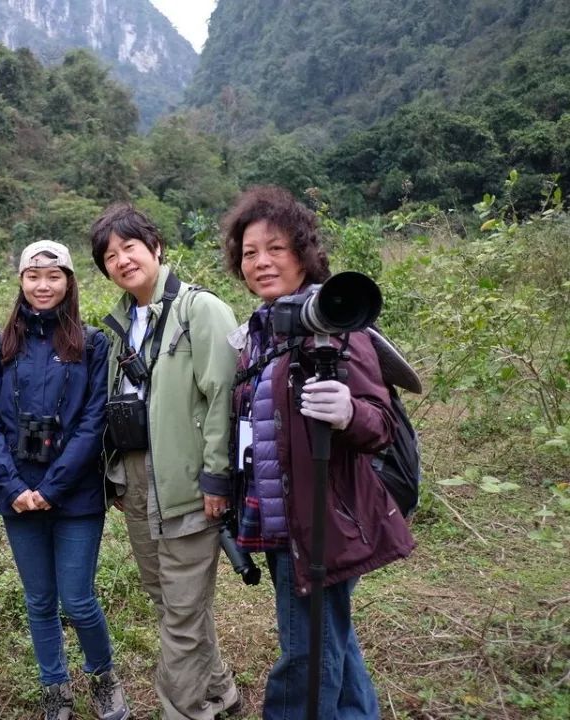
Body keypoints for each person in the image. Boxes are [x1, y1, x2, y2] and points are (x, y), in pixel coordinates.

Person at [220, 185, 415, 719]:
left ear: (303, 252)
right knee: (332, 641)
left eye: (275, 248)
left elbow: (380, 424)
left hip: (319, 520)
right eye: (249, 253)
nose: (261, 262)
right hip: (282, 515)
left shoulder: (332, 321)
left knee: (306, 656)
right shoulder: (262, 328)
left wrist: (350, 411)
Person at [89, 204, 241, 720]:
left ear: (155, 247)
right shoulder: (120, 324)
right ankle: (220, 692)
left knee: (179, 612)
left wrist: (217, 476)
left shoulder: (200, 310)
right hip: (136, 480)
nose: (122, 260)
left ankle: (185, 710)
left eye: (129, 246)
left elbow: (224, 397)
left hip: (188, 481)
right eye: (110, 255)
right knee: (170, 601)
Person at [0, 240, 130, 720]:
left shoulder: (92, 344)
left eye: (54, 275)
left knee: (78, 599)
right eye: (33, 276)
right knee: (39, 600)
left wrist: (53, 487)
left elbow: (93, 421)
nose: (43, 285)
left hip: (76, 495)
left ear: (68, 282)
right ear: (20, 281)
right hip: (17, 495)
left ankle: (103, 677)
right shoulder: (1, 346)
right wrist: (15, 487)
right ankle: (54, 687)